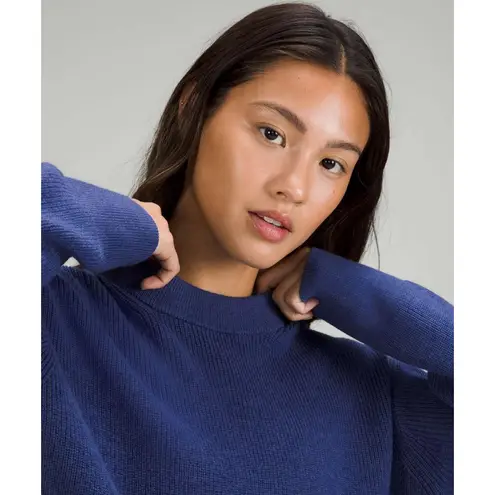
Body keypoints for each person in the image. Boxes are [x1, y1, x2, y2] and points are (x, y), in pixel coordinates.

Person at [41, 3, 453, 494]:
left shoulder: (374, 398)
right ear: (194, 107)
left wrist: (352, 291)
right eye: (272, 134)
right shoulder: (50, 318)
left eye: (331, 164)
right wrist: (121, 223)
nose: (294, 186)